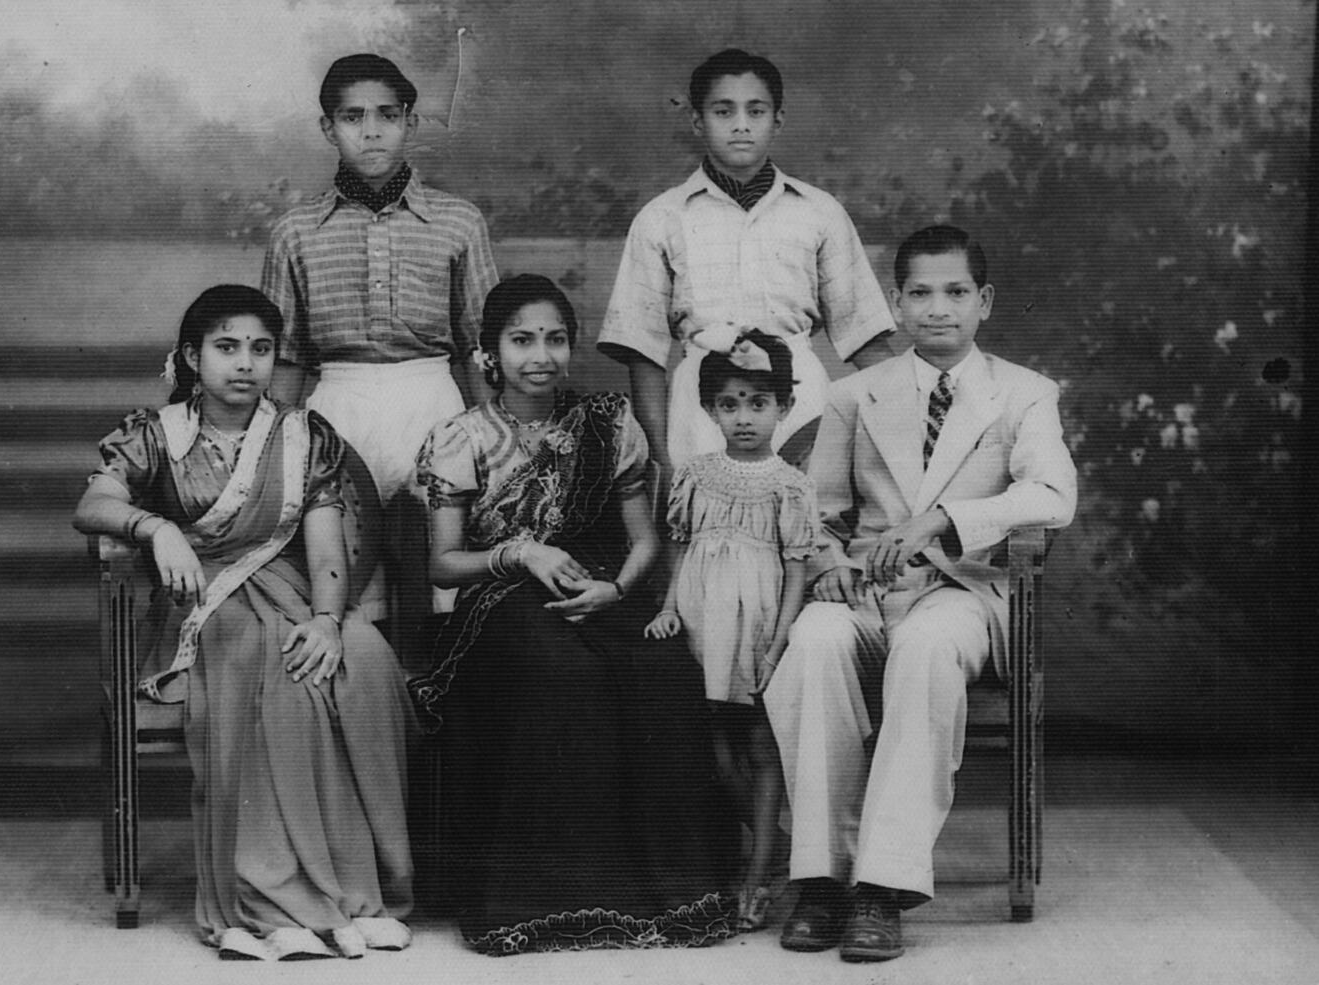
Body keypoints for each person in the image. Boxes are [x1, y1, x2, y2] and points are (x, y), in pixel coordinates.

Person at [763, 226, 1077, 962]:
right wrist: (833, 558)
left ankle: (884, 883)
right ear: (897, 304)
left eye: (956, 292)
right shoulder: (853, 394)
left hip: (964, 595)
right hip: (870, 593)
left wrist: (945, 518)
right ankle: (823, 874)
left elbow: (1053, 493)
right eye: (921, 294)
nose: (939, 309)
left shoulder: (1024, 393)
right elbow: (818, 510)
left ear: (984, 301)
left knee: (928, 643)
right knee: (814, 639)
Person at [72, 285, 414, 961]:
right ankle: (271, 897)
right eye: (226, 347)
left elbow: (325, 546)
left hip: (288, 588)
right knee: (267, 662)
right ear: (192, 357)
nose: (245, 363)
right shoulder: (155, 433)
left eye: (260, 349)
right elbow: (94, 502)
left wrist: (325, 618)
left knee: (362, 655)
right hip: (199, 600)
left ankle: (357, 891)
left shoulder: (302, 435)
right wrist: (156, 526)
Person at [409, 274, 737, 955]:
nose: (541, 355)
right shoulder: (461, 436)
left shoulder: (608, 425)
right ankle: (549, 900)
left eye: (556, 339)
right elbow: (443, 562)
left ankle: (665, 895)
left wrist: (617, 589)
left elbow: (645, 536)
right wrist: (518, 553)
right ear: (488, 354)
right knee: (564, 673)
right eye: (522, 339)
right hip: (498, 604)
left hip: (595, 588)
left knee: (664, 670)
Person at [260, 52, 499, 647]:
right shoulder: (296, 231)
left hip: (433, 399)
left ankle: (441, 714)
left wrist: (493, 438)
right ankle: (370, 707)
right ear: (327, 128)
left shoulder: (458, 222)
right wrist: (278, 452)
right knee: (350, 582)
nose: (371, 131)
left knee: (445, 577)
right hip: (339, 403)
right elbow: (287, 359)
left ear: (411, 124)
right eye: (352, 117)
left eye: (387, 116)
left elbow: (480, 349)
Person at [598, 47, 894, 480]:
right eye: (723, 111)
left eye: (756, 111)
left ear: (778, 120)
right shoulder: (662, 218)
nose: (740, 124)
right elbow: (643, 356)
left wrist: (903, 434)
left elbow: (866, 340)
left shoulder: (819, 212)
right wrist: (662, 459)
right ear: (697, 121)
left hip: (799, 401)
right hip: (702, 403)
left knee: (799, 527)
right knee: (709, 533)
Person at [643, 331, 819, 933]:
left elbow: (797, 569)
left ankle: (757, 875)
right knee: (713, 754)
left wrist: (777, 644)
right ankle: (779, 853)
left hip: (757, 628)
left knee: (762, 751)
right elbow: (678, 547)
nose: (744, 418)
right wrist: (668, 606)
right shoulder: (694, 474)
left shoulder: (790, 485)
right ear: (710, 409)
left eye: (758, 403)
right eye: (729, 404)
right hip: (701, 623)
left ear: (785, 406)